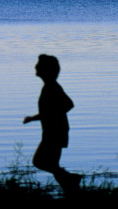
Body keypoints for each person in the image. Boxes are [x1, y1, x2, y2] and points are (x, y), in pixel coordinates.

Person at [23, 54, 82, 192]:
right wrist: (33, 118)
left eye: (38, 65)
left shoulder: (52, 87)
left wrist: (52, 116)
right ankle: (71, 188)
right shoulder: (49, 86)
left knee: (39, 162)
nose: (35, 67)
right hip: (53, 131)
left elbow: (69, 104)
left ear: (45, 69)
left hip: (55, 131)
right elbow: (49, 112)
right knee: (52, 164)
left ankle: (72, 180)